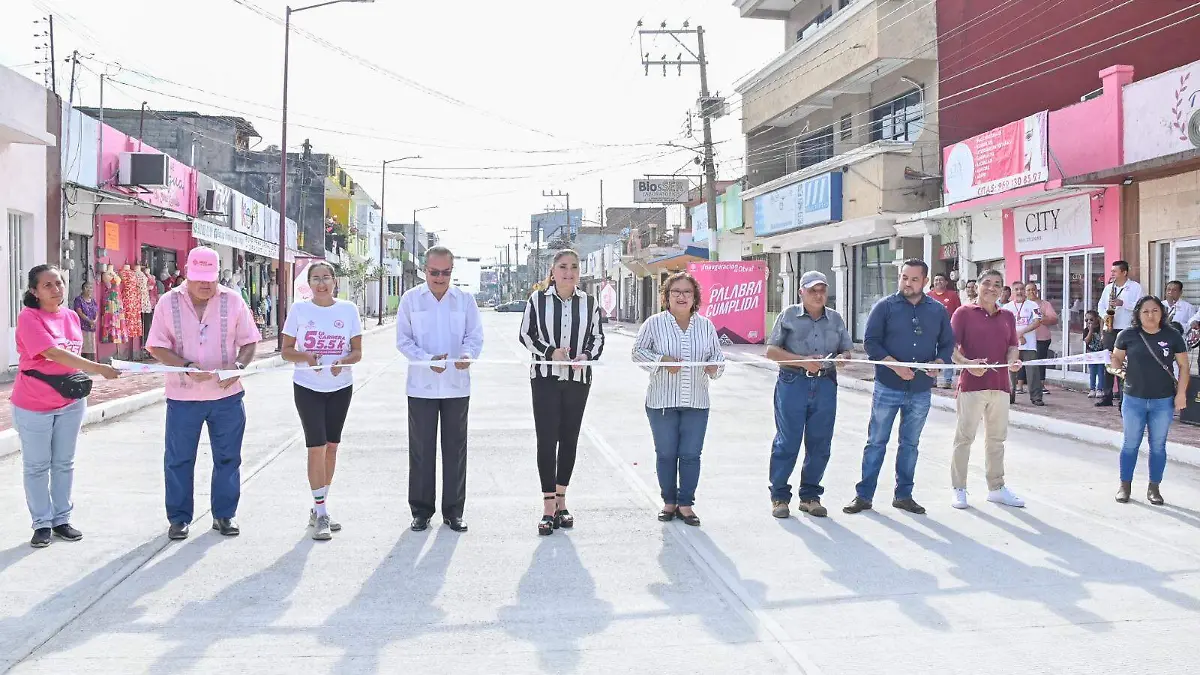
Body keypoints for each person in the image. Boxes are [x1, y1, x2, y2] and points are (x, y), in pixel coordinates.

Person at [146, 247, 262, 540]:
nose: (205, 285)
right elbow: (156, 345)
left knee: (228, 458)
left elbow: (249, 342)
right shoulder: (167, 302)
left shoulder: (234, 301)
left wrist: (237, 366)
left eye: (209, 278)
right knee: (179, 459)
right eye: (199, 278)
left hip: (227, 397)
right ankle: (179, 518)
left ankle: (224, 515)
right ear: (187, 273)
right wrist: (184, 366)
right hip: (183, 397)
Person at [12, 265, 120, 548]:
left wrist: (98, 368)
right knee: (37, 466)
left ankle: (61, 519)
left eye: (58, 283)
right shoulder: (29, 317)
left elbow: (77, 351)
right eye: (47, 285)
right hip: (34, 403)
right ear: (34, 291)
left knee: (64, 463)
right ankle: (42, 524)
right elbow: (52, 352)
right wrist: (97, 368)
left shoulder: (72, 316)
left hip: (71, 401)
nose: (56, 289)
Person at [845, 259, 954, 516]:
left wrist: (939, 363)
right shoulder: (884, 307)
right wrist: (894, 366)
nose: (907, 283)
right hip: (888, 386)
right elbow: (871, 343)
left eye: (914, 279)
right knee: (876, 442)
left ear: (925, 281)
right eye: (904, 277)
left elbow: (948, 345)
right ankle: (864, 496)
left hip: (921, 389)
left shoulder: (937, 311)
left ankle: (903, 495)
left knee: (910, 444)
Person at [395, 246, 484, 533]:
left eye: (446, 273)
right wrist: (425, 361)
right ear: (425, 270)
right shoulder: (411, 300)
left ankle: (454, 511)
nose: (440, 278)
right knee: (421, 450)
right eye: (434, 272)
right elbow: (403, 341)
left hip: (457, 387)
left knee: (455, 450)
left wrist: (467, 356)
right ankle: (421, 511)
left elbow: (474, 336)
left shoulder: (465, 300)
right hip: (421, 386)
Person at [518, 249, 605, 536]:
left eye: (574, 267)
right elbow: (525, 334)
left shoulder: (589, 302)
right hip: (544, 379)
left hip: (578, 380)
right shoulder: (537, 299)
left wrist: (586, 356)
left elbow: (597, 336)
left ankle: (562, 501)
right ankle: (547, 507)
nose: (569, 272)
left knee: (569, 439)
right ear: (552, 271)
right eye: (563, 267)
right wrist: (550, 352)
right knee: (547, 439)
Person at [632, 271, 724, 527]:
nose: (681, 297)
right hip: (662, 402)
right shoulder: (654, 323)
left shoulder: (705, 326)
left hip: (696, 401)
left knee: (691, 455)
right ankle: (669, 502)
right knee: (666, 454)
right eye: (676, 292)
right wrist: (662, 361)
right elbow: (637, 353)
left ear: (695, 297)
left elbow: (718, 358)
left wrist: (713, 368)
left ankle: (686, 504)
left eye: (687, 292)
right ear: (667, 297)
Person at [281, 261, 363, 541]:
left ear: (334, 281)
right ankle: (322, 512)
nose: (321, 283)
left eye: (326, 278)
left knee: (331, 447)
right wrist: (306, 357)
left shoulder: (348, 310)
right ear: (309, 284)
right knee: (315, 447)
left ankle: (319, 507)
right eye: (315, 278)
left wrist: (343, 361)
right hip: (308, 387)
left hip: (341, 387)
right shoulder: (300, 310)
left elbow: (357, 352)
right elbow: (286, 351)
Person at [765, 271, 852, 519]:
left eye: (822, 290)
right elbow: (771, 351)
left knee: (820, 442)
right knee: (787, 441)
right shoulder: (789, 316)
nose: (818, 294)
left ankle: (811, 496)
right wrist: (802, 361)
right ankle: (779, 496)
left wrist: (843, 358)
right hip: (793, 382)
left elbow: (846, 350)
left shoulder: (835, 319)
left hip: (825, 385)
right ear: (801, 292)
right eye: (812, 290)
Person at [949, 270, 1025, 509]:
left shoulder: (1007, 317)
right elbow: (950, 349)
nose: (992, 288)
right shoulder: (963, 313)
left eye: (997, 284)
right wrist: (968, 365)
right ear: (978, 286)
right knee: (964, 439)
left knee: (996, 440)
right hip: (972, 387)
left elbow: (1013, 346)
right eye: (987, 283)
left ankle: (996, 487)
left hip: (1001, 387)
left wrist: (1013, 360)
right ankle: (959, 488)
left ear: (1003, 290)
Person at [1111, 296, 1189, 505]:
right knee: (1130, 444)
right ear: (1137, 314)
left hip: (1162, 401)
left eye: (1155, 310)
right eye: (1145, 311)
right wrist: (1117, 367)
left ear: (1162, 312)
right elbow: (1116, 357)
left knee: (1158, 446)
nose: (1150, 315)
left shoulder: (1172, 336)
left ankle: (1154, 488)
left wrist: (1181, 394)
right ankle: (1124, 486)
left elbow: (1184, 366)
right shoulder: (1127, 335)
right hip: (1133, 399)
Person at [1096, 261, 1142, 407]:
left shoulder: (1135, 287)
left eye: (1115, 271)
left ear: (1124, 272)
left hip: (1127, 329)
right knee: (1109, 362)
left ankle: (1124, 399)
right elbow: (1101, 306)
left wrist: (1123, 304)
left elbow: (1141, 307)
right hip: (1111, 329)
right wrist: (1105, 316)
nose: (1112, 274)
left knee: (1125, 364)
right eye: (1112, 271)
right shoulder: (1109, 288)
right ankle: (1107, 395)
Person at [1003, 282, 1045, 407]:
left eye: (1022, 289)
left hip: (1029, 345)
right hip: (1011, 345)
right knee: (1010, 371)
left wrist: (1021, 332)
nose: (1019, 292)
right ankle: (1009, 396)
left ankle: (1036, 397)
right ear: (1012, 291)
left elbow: (1037, 322)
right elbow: (1002, 325)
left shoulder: (1033, 305)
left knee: (1032, 370)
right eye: (1016, 289)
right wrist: (1016, 335)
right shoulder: (1006, 307)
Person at [929, 272, 962, 390]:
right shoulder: (928, 296)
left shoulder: (952, 295)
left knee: (947, 354)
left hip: (947, 331)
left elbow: (958, 313)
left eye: (941, 280)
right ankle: (932, 379)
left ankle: (948, 380)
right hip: (931, 332)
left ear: (946, 282)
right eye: (936, 280)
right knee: (931, 354)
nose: (938, 282)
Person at [1025, 282, 1059, 384]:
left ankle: (1041, 384)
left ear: (1037, 291)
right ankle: (1022, 385)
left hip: (1041, 338)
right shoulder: (1022, 304)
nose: (1031, 292)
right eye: (1029, 290)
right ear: (1025, 292)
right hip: (1025, 339)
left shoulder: (1045, 304)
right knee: (1025, 363)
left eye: (1033, 289)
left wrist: (1040, 319)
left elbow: (1054, 319)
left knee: (1040, 362)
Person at [71, 281, 99, 363]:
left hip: (91, 326)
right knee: (83, 344)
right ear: (83, 289)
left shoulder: (93, 301)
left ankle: (90, 363)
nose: (89, 289)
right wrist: (89, 321)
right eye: (87, 287)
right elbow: (79, 312)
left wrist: (94, 321)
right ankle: (82, 363)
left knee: (91, 344)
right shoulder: (79, 300)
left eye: (90, 288)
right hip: (82, 326)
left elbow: (96, 312)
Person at [1083, 310, 1106, 398]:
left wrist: (1101, 325)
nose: (1089, 322)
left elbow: (1102, 339)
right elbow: (1087, 341)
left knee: (1100, 372)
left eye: (1091, 320)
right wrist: (1090, 330)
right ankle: (1092, 389)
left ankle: (1100, 389)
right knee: (1092, 372)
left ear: (1097, 319)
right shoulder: (1086, 330)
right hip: (1091, 354)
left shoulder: (1101, 329)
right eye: (1086, 320)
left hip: (1100, 354)